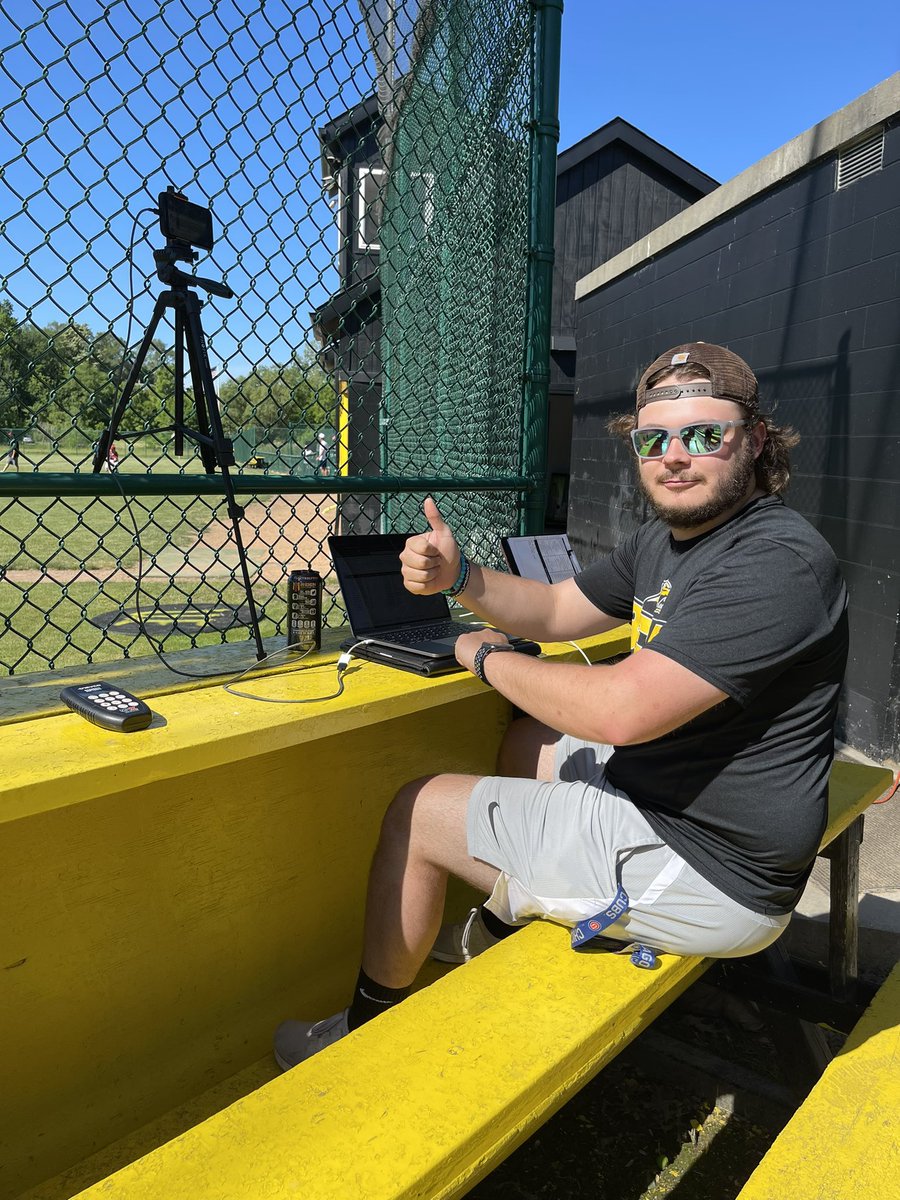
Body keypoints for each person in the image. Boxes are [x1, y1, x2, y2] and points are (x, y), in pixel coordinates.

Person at [274, 341, 848, 1070]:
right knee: (529, 742)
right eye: (653, 439)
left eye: (705, 435)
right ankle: (498, 928)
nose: (675, 455)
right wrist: (462, 577)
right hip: (685, 807)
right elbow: (551, 608)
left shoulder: (774, 561)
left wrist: (483, 654)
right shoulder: (667, 541)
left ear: (756, 439)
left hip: (714, 871)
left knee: (418, 812)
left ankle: (356, 1037)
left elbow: (619, 711)